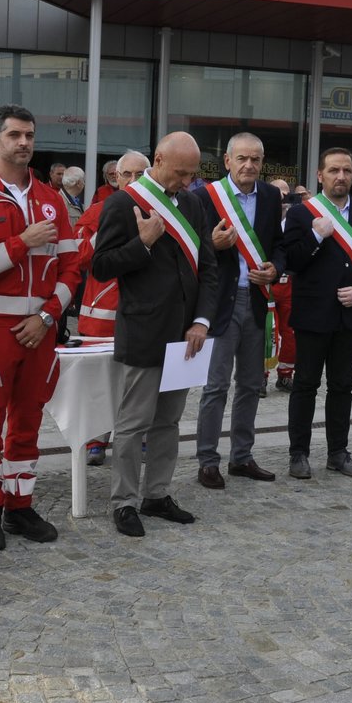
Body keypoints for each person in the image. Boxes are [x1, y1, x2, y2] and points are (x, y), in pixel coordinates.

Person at [0, 105, 79, 549]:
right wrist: (21, 242)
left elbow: (71, 267)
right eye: (13, 135)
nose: (23, 142)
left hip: (40, 332)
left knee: (27, 422)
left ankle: (19, 508)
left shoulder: (51, 199)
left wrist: (47, 317)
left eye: (28, 134)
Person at [91, 132, 218, 537]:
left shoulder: (195, 204)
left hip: (186, 336)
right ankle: (125, 502)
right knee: (133, 423)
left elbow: (209, 269)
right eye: (181, 173)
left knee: (169, 421)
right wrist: (143, 244)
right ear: (158, 160)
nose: (187, 181)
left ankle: (157, 494)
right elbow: (101, 266)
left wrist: (202, 321)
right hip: (145, 330)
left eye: (192, 174)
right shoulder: (123, 203)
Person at [280, 148, 352, 479]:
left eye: (346, 170)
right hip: (313, 315)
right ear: (320, 175)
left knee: (342, 386)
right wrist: (316, 235)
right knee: (305, 385)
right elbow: (292, 261)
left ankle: (338, 452)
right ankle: (298, 453)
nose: (340, 176)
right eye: (334, 170)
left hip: (349, 316)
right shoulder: (302, 214)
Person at [191, 132, 285, 488]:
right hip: (220, 304)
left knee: (250, 384)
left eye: (256, 159)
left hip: (257, 300)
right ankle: (207, 461)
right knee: (216, 386)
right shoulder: (204, 196)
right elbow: (190, 248)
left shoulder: (272, 195)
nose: (249, 165)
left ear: (262, 163)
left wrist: (276, 267)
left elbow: (278, 244)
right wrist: (211, 245)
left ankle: (241, 457)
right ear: (227, 161)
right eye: (242, 158)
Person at [74, 150, 147, 465]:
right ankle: (95, 440)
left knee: (138, 383)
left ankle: (137, 438)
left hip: (143, 315)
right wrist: (109, 226)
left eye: (140, 175)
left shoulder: (160, 212)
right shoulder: (96, 212)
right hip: (99, 317)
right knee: (98, 386)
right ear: (115, 178)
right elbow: (79, 258)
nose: (132, 181)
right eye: (126, 175)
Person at [268, 178, 297, 392]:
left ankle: (286, 374)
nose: (282, 198)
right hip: (267, 284)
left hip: (289, 284)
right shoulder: (261, 216)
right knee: (268, 331)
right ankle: (261, 375)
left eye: (286, 193)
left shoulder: (296, 218)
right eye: (278, 193)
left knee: (290, 331)